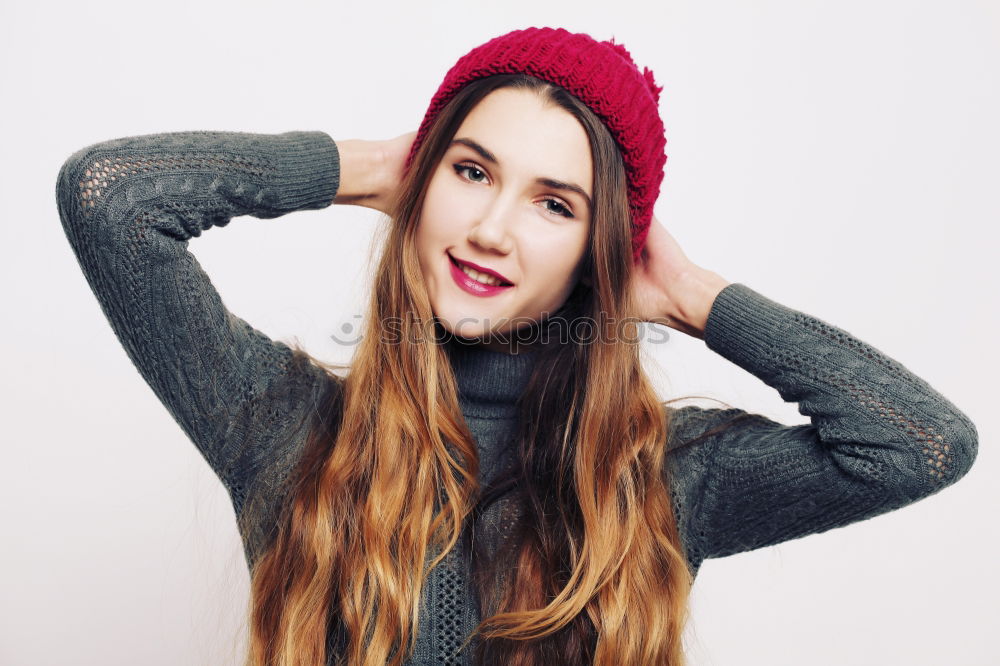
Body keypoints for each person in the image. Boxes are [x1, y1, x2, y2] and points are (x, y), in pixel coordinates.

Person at [54, 26, 977, 666]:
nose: (492, 228)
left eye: (553, 203)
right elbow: (109, 198)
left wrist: (694, 296)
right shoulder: (286, 428)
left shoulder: (657, 476)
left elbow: (920, 444)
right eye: (470, 171)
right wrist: (371, 167)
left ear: (595, 249)